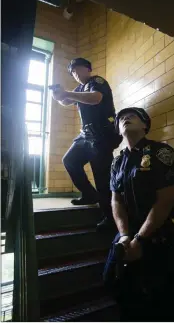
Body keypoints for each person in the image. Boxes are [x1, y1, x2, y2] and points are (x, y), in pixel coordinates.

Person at [104, 107, 174, 321]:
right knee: (113, 280)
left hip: (162, 232)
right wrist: (125, 235)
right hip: (131, 231)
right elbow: (116, 200)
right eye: (121, 118)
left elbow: (165, 201)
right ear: (118, 130)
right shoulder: (117, 161)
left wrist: (140, 240)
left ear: (145, 126)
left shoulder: (161, 153)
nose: (125, 118)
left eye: (132, 116)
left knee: (162, 293)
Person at [52, 58, 121, 229]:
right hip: (85, 135)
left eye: (78, 69)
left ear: (88, 68)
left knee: (102, 177)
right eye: (72, 71)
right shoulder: (79, 88)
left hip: (102, 136)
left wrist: (67, 93)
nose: (75, 73)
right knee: (70, 161)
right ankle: (90, 194)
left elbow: (95, 98)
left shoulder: (97, 82)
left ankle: (111, 218)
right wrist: (59, 95)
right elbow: (66, 101)